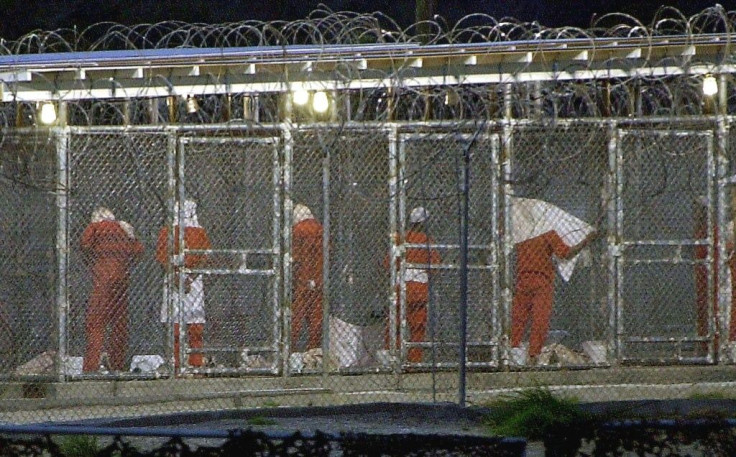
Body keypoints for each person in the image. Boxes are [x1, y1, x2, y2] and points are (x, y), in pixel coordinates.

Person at [508, 197, 596, 366]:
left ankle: (513, 351)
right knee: (540, 318)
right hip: (542, 280)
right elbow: (565, 254)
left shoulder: (520, 232)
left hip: (522, 279)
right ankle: (533, 354)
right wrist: (586, 240)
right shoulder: (548, 234)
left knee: (518, 317)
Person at [81, 207, 143, 373]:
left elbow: (85, 245)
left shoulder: (95, 228)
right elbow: (138, 251)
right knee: (119, 324)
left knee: (96, 323)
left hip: (102, 281)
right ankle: (117, 363)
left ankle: (92, 366)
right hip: (121, 282)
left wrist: (92, 262)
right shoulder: (123, 228)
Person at [156, 199, 211, 370]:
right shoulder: (199, 232)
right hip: (192, 281)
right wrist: (190, 278)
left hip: (176, 278)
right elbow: (205, 257)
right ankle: (194, 364)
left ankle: (178, 365)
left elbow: (162, 257)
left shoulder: (167, 231)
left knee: (178, 322)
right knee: (193, 322)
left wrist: (175, 276)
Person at [387, 207, 441, 363]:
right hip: (419, 287)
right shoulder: (426, 241)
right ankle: (414, 360)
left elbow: (388, 263)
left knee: (396, 322)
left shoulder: (400, 238)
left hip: (399, 285)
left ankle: (394, 356)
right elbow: (435, 265)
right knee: (417, 325)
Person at [291, 203, 324, 352]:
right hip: (319, 278)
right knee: (316, 317)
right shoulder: (321, 229)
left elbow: (295, 256)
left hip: (302, 279)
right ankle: (314, 349)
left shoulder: (298, 230)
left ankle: (291, 351)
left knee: (296, 316)